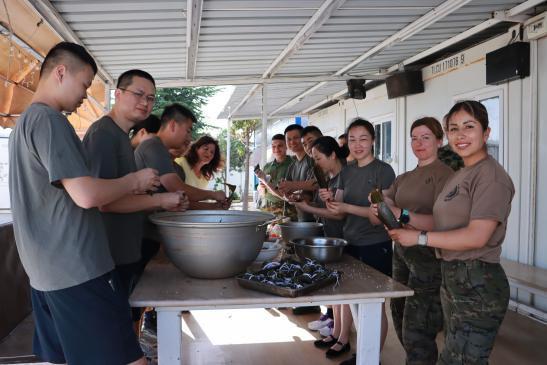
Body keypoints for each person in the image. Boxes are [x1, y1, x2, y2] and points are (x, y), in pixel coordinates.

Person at [9, 42, 157, 365]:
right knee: (130, 360)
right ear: (61, 72)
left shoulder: (22, 124)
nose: (84, 96)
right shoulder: (50, 120)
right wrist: (136, 181)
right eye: (84, 85)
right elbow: (86, 195)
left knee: (62, 358)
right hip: (78, 270)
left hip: (45, 273)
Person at [388, 101, 515, 365]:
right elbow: (445, 222)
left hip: (478, 278)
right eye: (454, 128)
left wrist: (420, 237)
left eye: (469, 127)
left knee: (460, 360)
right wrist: (409, 222)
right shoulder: (463, 173)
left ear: (486, 133)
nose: (460, 135)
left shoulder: (491, 176)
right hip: (452, 275)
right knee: (454, 355)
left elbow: (477, 236)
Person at [83, 69, 188, 303]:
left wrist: (142, 191)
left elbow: (117, 190)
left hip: (125, 252)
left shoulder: (121, 135)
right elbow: (104, 203)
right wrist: (160, 200)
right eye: (139, 94)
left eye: (151, 98)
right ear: (118, 94)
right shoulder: (103, 134)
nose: (145, 102)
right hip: (108, 256)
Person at [371, 117, 453, 365]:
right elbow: (382, 209)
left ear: (439, 140)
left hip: (428, 256)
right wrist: (380, 205)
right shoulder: (405, 177)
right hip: (401, 253)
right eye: (414, 138)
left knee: (418, 326)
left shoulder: (446, 175)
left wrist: (402, 214)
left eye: (425, 137)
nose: (418, 143)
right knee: (399, 313)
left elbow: (444, 222)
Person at [325, 118, 396, 363]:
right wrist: (330, 201)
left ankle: (371, 356)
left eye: (363, 139)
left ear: (373, 141)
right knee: (354, 299)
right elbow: (339, 210)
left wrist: (344, 205)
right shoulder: (346, 170)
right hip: (350, 242)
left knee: (375, 304)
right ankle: (361, 352)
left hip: (375, 244)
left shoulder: (383, 171)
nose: (357, 145)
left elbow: (380, 215)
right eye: (352, 139)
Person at [291, 136, 346, 343]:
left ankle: (339, 331)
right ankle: (335, 327)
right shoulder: (330, 178)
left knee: (344, 290)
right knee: (336, 286)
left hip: (343, 237)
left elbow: (337, 213)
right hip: (331, 234)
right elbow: (328, 207)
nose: (315, 163)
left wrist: (307, 208)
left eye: (318, 158)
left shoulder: (344, 176)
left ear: (332, 155)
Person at [134, 103, 227, 207]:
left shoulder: (170, 160)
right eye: (188, 131)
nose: (189, 138)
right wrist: (213, 194)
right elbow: (177, 187)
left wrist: (215, 207)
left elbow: (181, 201)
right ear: (173, 125)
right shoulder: (153, 146)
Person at [278, 124, 317, 222]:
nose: (292, 142)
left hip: (316, 219)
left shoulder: (313, 159)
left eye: (296, 138)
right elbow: (287, 192)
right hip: (301, 218)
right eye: (289, 139)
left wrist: (292, 186)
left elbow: (316, 184)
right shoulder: (292, 166)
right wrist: (286, 192)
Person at [254, 133, 295, 219]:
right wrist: (261, 187)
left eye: (280, 146)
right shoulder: (267, 166)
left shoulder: (293, 164)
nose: (276, 149)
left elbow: (288, 193)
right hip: (265, 206)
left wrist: (266, 182)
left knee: (281, 232)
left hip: (284, 208)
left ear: (286, 146)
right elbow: (260, 187)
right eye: (273, 146)